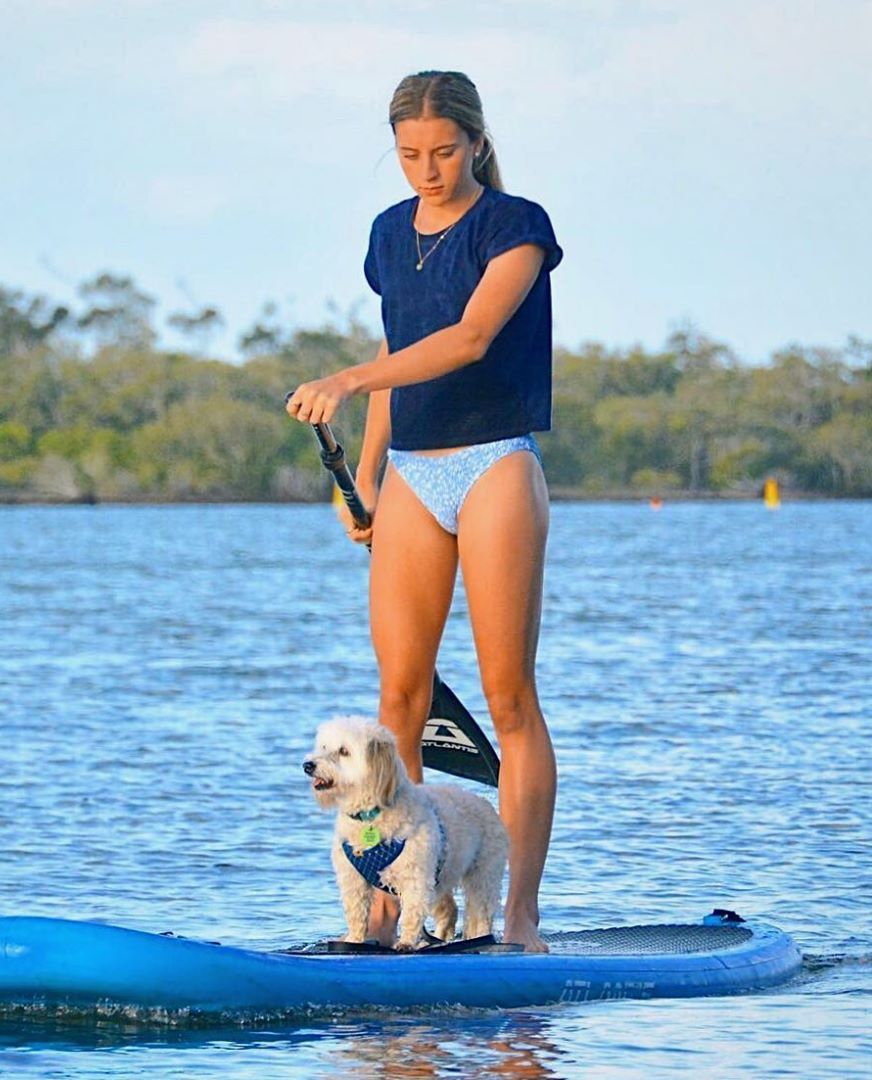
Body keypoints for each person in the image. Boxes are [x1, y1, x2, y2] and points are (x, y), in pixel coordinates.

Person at [286, 70, 561, 953]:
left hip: (494, 465)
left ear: (477, 142)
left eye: (444, 152)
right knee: (398, 698)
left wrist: (347, 379)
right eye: (409, 155)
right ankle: (384, 915)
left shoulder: (515, 226)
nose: (428, 170)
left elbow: (469, 338)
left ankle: (518, 915)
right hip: (409, 469)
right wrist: (363, 475)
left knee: (508, 698)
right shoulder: (387, 233)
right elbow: (396, 342)